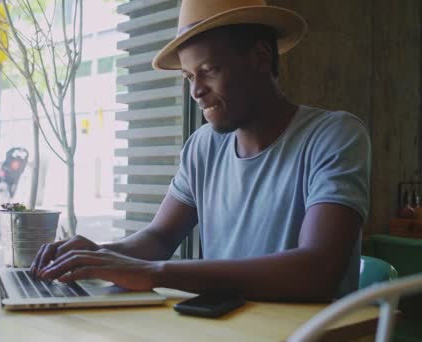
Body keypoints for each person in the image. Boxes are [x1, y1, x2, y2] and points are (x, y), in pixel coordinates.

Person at [31, 0, 371, 302]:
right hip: (226, 328)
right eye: (188, 76)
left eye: (209, 71)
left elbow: (317, 269)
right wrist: (98, 255)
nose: (196, 90)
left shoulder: (333, 136)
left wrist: (156, 273)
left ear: (260, 57)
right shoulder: (203, 146)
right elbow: (160, 236)